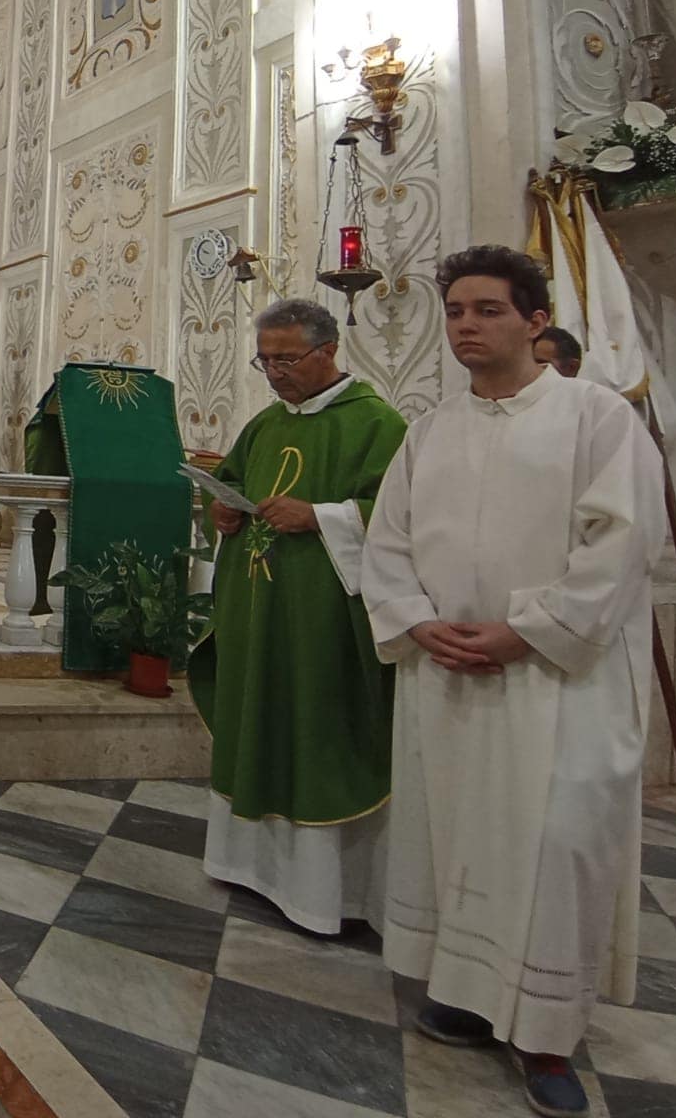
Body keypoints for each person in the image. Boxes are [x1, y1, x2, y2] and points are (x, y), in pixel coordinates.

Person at [362, 245, 666, 1118]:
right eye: (456, 310)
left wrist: (525, 631)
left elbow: (621, 544)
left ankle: (545, 1036)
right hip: (449, 674)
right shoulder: (430, 430)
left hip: (559, 686)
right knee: (461, 833)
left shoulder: (597, 418)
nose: (466, 325)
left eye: (488, 310)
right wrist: (418, 620)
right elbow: (387, 547)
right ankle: (463, 988)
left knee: (557, 844)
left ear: (536, 323)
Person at [194, 300, 407, 933]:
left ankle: (322, 892)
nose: (274, 373)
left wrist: (321, 516)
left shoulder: (377, 425)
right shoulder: (263, 426)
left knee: (315, 732)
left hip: (323, 624)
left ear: (328, 351)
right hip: (261, 614)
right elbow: (230, 481)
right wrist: (223, 514)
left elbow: (403, 516)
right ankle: (249, 866)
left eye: (286, 359)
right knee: (257, 719)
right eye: (265, 360)